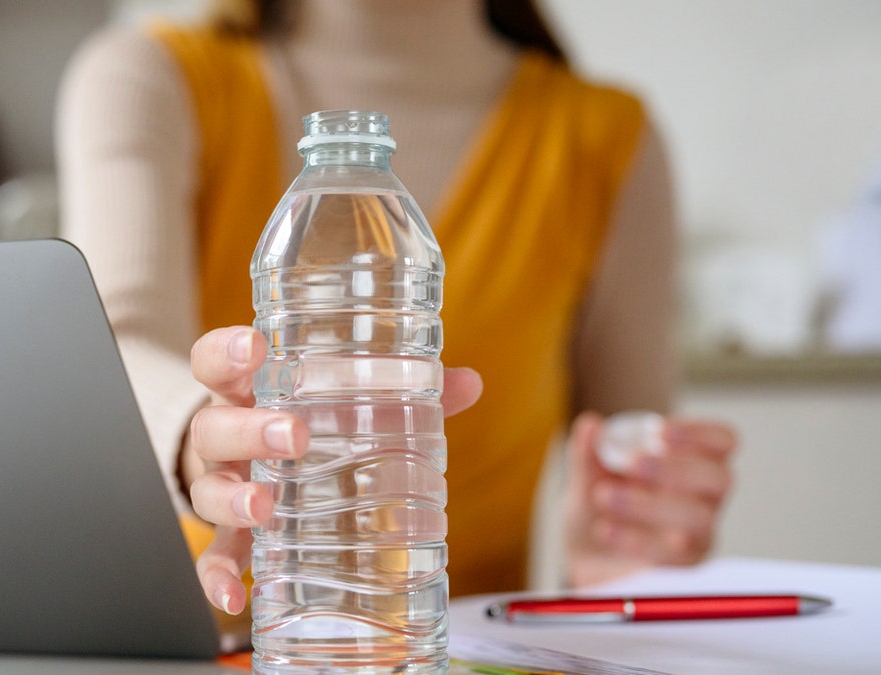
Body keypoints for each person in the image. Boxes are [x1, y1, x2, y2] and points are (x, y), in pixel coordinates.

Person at [56, 0, 737, 615]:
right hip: (188, 646)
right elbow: (117, 332)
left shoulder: (607, 142)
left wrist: (619, 572)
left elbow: (629, 481)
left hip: (438, 650)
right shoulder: (150, 76)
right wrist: (197, 436)